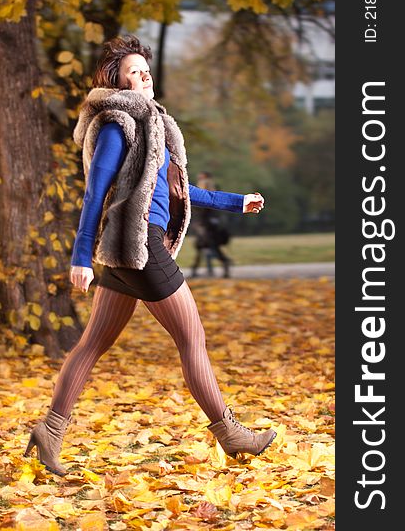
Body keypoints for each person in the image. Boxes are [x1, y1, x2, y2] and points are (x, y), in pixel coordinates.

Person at [24, 35, 276, 476]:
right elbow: (93, 193)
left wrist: (238, 202)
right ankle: (231, 434)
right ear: (117, 82)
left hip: (129, 251)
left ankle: (50, 430)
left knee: (92, 344)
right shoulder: (116, 124)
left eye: (146, 70)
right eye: (134, 72)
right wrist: (80, 256)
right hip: (137, 246)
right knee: (191, 338)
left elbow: (177, 190)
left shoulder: (152, 126)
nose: (144, 76)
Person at [190, 171, 232, 278]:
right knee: (203, 247)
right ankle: (200, 270)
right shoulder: (203, 191)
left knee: (209, 247)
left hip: (208, 226)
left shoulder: (209, 192)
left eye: (202, 178)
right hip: (204, 224)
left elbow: (210, 211)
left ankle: (223, 264)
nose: (200, 180)